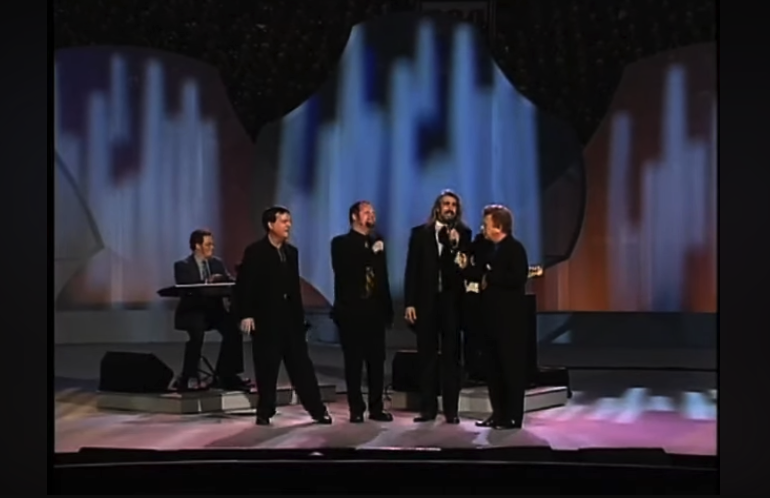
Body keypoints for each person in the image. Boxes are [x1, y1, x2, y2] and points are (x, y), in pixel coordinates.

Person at [234, 206, 332, 426]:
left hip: (291, 321)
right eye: (284, 221)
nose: (289, 225)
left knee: (302, 368)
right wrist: (246, 314)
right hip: (266, 321)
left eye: (289, 221)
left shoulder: (291, 252)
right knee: (267, 369)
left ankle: (317, 410)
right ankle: (265, 411)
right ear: (271, 225)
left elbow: (294, 288)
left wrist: (301, 318)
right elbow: (245, 286)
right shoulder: (255, 251)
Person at [457, 205, 529, 429]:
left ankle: (513, 416)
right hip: (489, 321)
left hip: (509, 323)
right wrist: (465, 269)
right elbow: (479, 274)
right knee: (493, 371)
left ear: (498, 227)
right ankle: (498, 414)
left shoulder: (514, 249)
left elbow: (517, 278)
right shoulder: (489, 250)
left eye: (486, 224)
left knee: (510, 370)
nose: (483, 228)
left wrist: (490, 275)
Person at [403, 190, 472, 424]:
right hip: (426, 303)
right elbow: (412, 270)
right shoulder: (420, 234)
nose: (450, 208)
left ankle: (451, 411)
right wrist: (410, 302)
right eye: (446, 204)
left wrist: (454, 246)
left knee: (452, 358)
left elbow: (464, 269)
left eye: (453, 205)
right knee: (427, 357)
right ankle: (428, 409)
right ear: (437, 208)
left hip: (452, 303)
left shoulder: (464, 234)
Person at [331, 201, 394, 423]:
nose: (371, 215)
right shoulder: (341, 243)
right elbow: (347, 271)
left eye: (373, 212)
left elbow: (382, 279)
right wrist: (370, 254)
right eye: (367, 212)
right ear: (354, 217)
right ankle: (356, 408)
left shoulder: (376, 242)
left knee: (376, 363)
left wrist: (388, 309)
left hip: (374, 312)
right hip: (352, 312)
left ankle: (376, 408)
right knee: (354, 363)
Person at [173, 229, 249, 392]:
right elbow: (187, 289)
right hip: (192, 311)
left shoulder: (217, 264)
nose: (212, 248)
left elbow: (229, 282)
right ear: (197, 246)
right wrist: (207, 282)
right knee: (197, 332)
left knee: (233, 330)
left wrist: (226, 280)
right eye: (208, 245)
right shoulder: (182, 266)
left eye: (212, 244)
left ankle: (227, 374)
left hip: (214, 312)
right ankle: (189, 376)